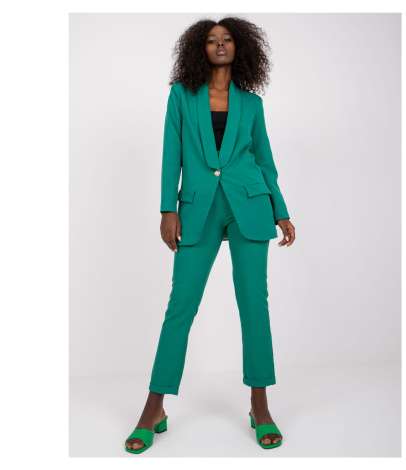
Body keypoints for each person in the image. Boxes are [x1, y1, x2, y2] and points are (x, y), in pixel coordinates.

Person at [125, 17, 296, 453]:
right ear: (199, 49)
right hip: (197, 208)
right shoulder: (181, 96)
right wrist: (168, 208)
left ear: (241, 48)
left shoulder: (252, 104)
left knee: (254, 304)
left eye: (227, 39)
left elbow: (265, 161)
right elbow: (172, 153)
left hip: (250, 206)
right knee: (181, 305)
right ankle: (153, 408)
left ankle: (260, 405)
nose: (220, 44)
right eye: (211, 40)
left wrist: (281, 211)